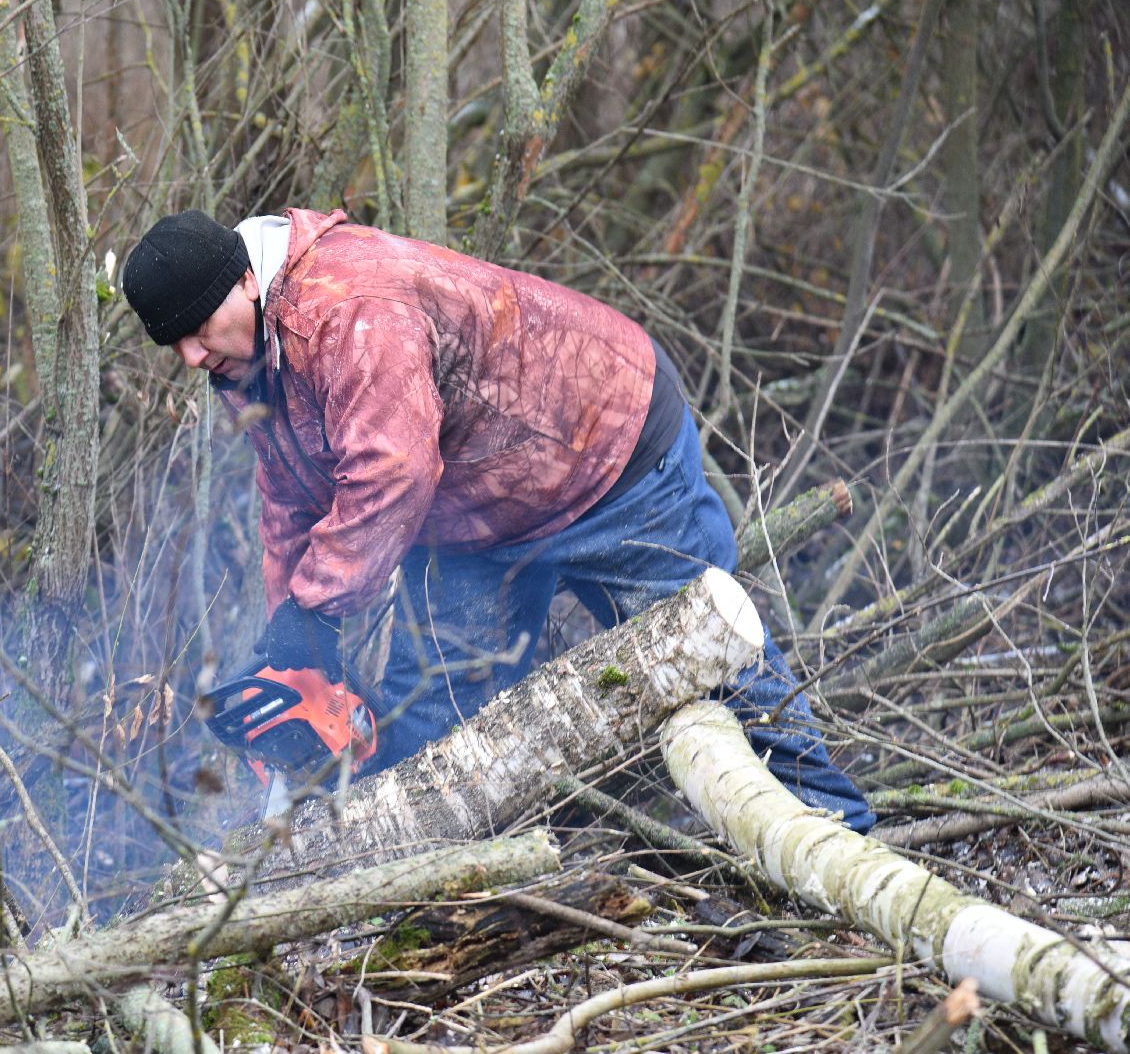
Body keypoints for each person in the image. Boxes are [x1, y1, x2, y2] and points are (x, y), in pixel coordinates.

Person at [122, 207, 874, 833]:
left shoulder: (345, 308)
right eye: (173, 342)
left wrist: (318, 607)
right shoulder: (247, 351)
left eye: (198, 328)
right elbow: (290, 497)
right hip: (474, 515)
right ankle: (418, 896)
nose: (189, 356)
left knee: (710, 655)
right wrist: (294, 641)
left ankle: (834, 835)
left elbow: (393, 470)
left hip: (603, 453)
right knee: (436, 725)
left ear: (245, 280)